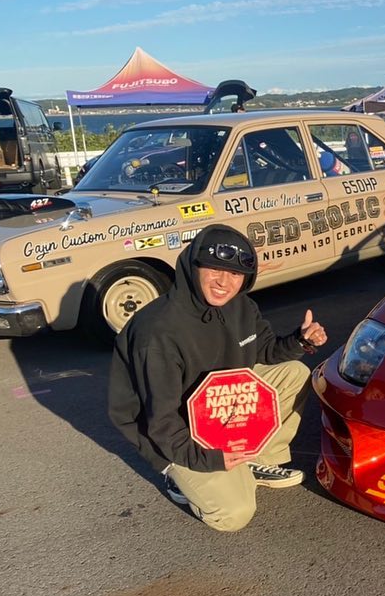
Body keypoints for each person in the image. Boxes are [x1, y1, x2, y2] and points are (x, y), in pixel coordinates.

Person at [108, 224, 327, 532]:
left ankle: (254, 460)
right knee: (234, 514)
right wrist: (210, 459)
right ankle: (178, 476)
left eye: (235, 274)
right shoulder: (158, 331)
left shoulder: (240, 306)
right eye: (214, 269)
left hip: (217, 407)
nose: (224, 282)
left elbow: (265, 350)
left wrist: (300, 341)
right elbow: (161, 421)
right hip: (176, 431)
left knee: (294, 373)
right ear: (193, 266)